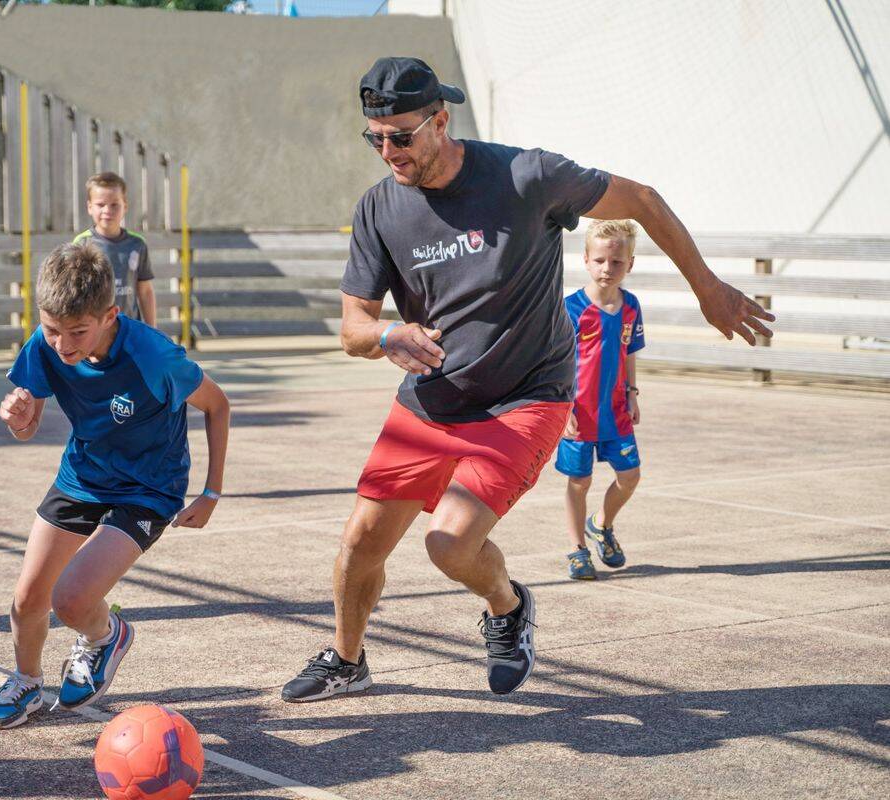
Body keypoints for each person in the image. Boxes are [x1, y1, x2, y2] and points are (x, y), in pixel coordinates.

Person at [281, 57, 774, 702]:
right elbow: (353, 327)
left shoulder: (525, 176)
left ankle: (507, 607)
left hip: (526, 396)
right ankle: (347, 660)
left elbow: (644, 200)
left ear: (440, 121)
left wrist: (706, 287)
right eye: (373, 138)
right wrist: (384, 336)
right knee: (358, 546)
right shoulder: (379, 209)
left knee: (450, 544)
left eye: (400, 136)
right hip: (432, 399)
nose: (387, 151)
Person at [0, 241, 230, 729]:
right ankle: (27, 682)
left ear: (110, 315)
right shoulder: (45, 342)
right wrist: (16, 418)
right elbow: (28, 425)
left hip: (148, 487)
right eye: (53, 330)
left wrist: (211, 491)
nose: (63, 345)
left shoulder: (154, 356)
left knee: (71, 600)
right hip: (84, 475)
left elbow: (218, 405)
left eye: (77, 332)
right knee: (27, 598)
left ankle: (106, 636)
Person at [557, 220, 644, 581]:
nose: (607, 269)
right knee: (580, 482)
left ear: (630, 263)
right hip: (579, 412)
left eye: (617, 262)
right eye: (600, 261)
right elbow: (553, 362)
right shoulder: (570, 308)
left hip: (616, 410)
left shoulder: (631, 307)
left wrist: (633, 392)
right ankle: (577, 549)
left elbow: (629, 353)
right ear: (586, 260)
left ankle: (601, 525)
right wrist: (562, 408)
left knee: (630, 476)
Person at [72, 172, 157, 326]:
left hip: (129, 329)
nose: (107, 210)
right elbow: (74, 291)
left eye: (114, 204)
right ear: (89, 207)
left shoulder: (137, 244)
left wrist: (153, 331)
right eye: (100, 204)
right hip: (94, 331)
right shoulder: (81, 244)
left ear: (125, 206)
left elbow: (145, 291)